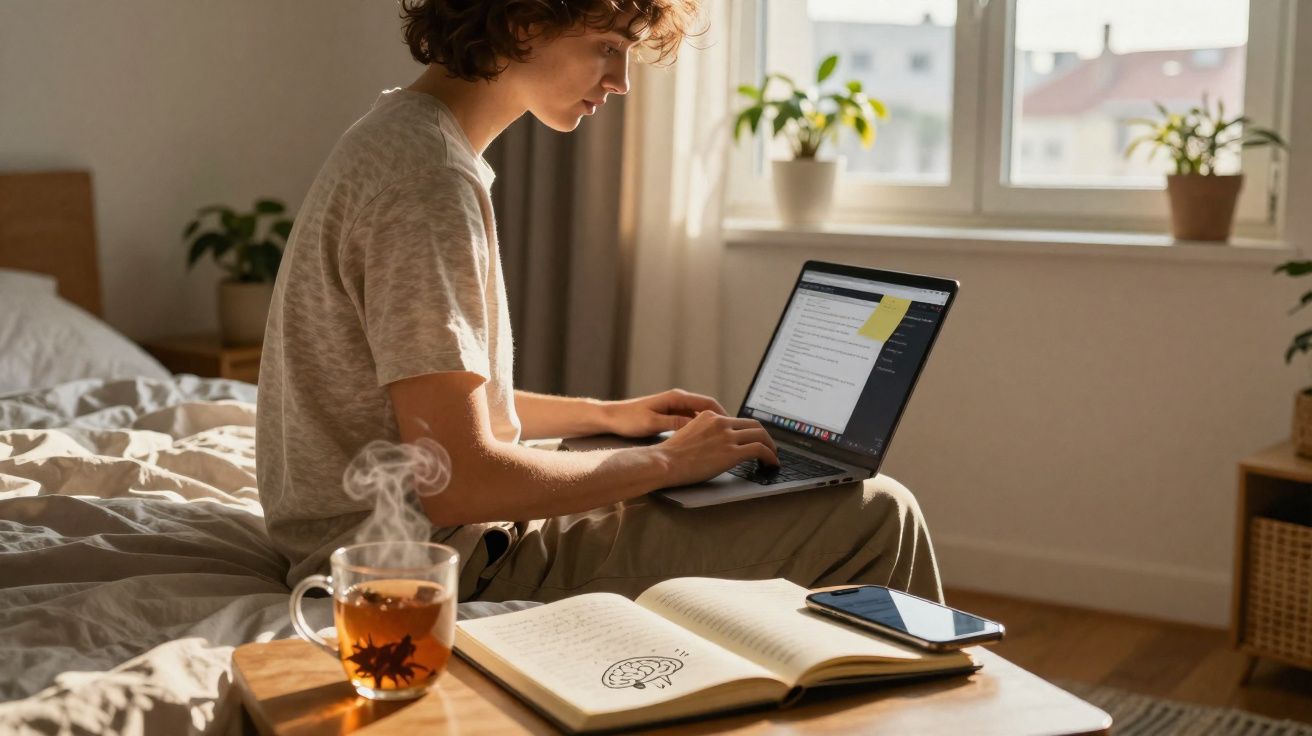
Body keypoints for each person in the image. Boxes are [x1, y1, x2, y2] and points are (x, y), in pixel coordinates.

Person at [257, 0, 943, 605]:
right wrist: (666, 463)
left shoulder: (402, 137)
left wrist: (608, 417)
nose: (620, 82)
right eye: (608, 49)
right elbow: (458, 484)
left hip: (391, 537)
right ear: (525, 21)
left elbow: (425, 412)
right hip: (423, 568)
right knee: (881, 513)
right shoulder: (428, 183)